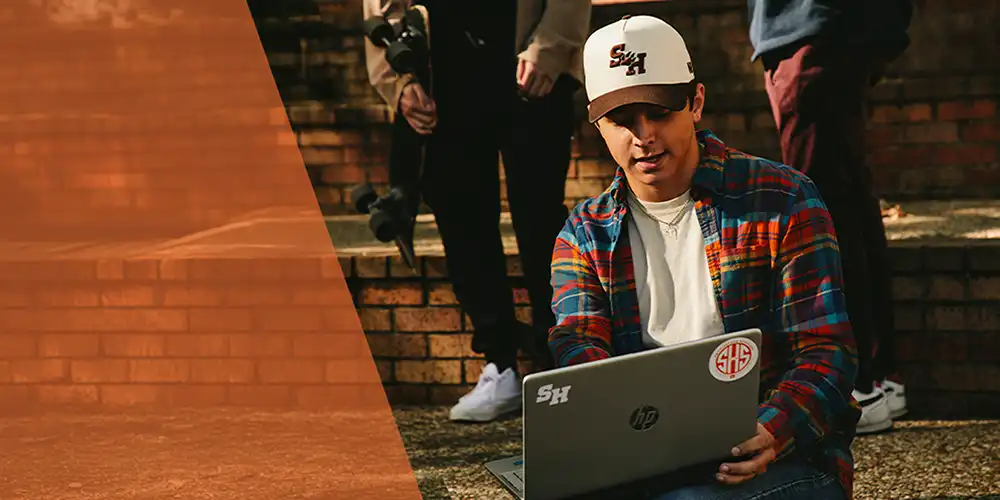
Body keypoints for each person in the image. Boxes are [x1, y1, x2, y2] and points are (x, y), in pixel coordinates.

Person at [548, 15, 861, 499]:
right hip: (644, 462)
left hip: (783, 459)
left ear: (695, 103)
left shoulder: (782, 199)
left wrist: (770, 430)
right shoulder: (583, 235)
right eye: (621, 121)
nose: (643, 135)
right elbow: (580, 353)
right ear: (597, 125)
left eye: (659, 112)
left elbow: (826, 353)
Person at [362, 0, 591, 422]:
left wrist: (551, 47)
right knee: (461, 217)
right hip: (443, 63)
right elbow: (382, 8)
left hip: (528, 55)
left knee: (540, 218)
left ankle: (559, 363)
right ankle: (499, 364)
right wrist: (401, 80)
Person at [746, 0, 914, 435]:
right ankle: (879, 376)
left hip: (809, 31)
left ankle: (858, 387)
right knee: (851, 201)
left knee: (824, 211)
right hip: (829, 32)